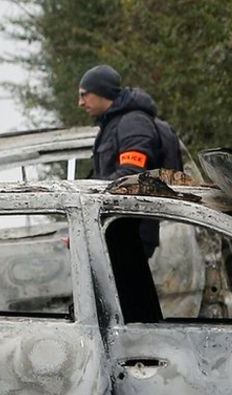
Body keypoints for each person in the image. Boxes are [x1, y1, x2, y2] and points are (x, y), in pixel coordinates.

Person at [79, 64, 181, 258]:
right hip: (121, 227)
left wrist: (88, 194)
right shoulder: (114, 124)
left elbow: (131, 174)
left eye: (84, 95)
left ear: (102, 92)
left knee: (130, 287)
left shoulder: (132, 123)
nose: (80, 103)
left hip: (133, 230)